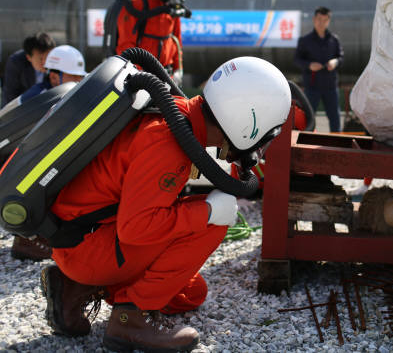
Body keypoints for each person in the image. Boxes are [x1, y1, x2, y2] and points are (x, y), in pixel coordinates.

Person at [40, 57, 291, 352]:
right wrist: (207, 212)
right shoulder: (166, 141)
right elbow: (136, 229)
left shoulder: (179, 118)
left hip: (89, 237)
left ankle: (74, 288)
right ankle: (128, 319)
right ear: (247, 119)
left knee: (192, 293)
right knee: (211, 224)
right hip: (88, 247)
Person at [6, 45, 87, 261]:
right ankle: (28, 238)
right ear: (54, 77)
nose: (80, 82)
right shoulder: (43, 101)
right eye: (74, 77)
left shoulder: (46, 95)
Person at [116, 0, 189, 85]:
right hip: (139, 80)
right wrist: (138, 77)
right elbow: (125, 47)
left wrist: (178, 71)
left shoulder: (172, 10)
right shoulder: (137, 6)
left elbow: (176, 41)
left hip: (166, 80)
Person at [294, 6, 344, 132]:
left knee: (335, 119)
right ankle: (305, 145)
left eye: (325, 20)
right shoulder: (305, 40)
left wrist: (335, 62)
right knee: (307, 120)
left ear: (329, 21)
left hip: (331, 86)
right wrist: (309, 65)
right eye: (319, 19)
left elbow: (341, 57)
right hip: (312, 87)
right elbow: (297, 60)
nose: (321, 23)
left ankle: (337, 147)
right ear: (314, 19)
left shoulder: (334, 40)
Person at [4, 45, 87, 110]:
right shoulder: (37, 97)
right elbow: (6, 114)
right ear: (53, 77)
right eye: (73, 76)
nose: (79, 80)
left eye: (81, 76)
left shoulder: (81, 94)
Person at [2, 32, 56, 107]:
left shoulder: (57, 61)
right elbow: (10, 95)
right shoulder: (16, 62)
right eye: (41, 59)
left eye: (48, 57)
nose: (45, 62)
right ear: (28, 57)